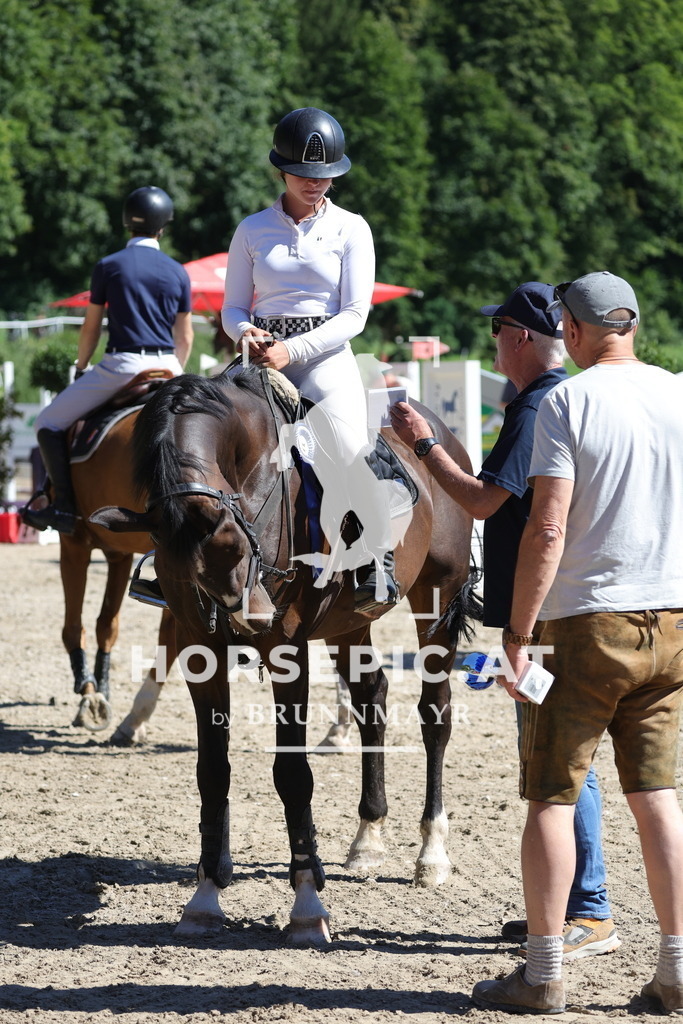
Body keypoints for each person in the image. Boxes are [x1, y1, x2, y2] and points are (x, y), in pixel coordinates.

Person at [471, 271, 683, 1014]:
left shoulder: (566, 400)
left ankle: (543, 972)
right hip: (671, 620)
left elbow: (547, 525)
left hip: (585, 625)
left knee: (551, 799)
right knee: (656, 795)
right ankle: (675, 969)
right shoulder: (678, 391)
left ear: (570, 328)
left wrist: (518, 632)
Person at [390, 281, 620, 961]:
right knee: (565, 761)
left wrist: (426, 445)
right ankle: (570, 906)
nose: (494, 343)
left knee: (559, 761)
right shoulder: (573, 397)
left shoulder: (535, 406)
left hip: (547, 613)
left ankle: (589, 910)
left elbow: (484, 503)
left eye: (496, 333)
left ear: (519, 337)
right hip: (577, 601)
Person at [221, 106, 397, 611]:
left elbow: (355, 314)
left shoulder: (352, 228)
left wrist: (292, 349)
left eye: (326, 176)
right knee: (200, 428)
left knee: (348, 443)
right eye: (304, 174)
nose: (316, 184)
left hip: (324, 358)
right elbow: (234, 305)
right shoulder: (252, 229)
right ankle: (169, 560)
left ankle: (374, 556)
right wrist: (246, 331)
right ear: (281, 169)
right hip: (258, 356)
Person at [23, 186, 193, 535]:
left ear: (127, 224)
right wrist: (176, 372)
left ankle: (65, 510)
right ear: (163, 226)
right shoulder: (178, 271)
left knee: (48, 422)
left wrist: (82, 366)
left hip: (123, 366)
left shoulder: (108, 266)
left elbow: (90, 329)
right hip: (170, 367)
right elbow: (186, 337)